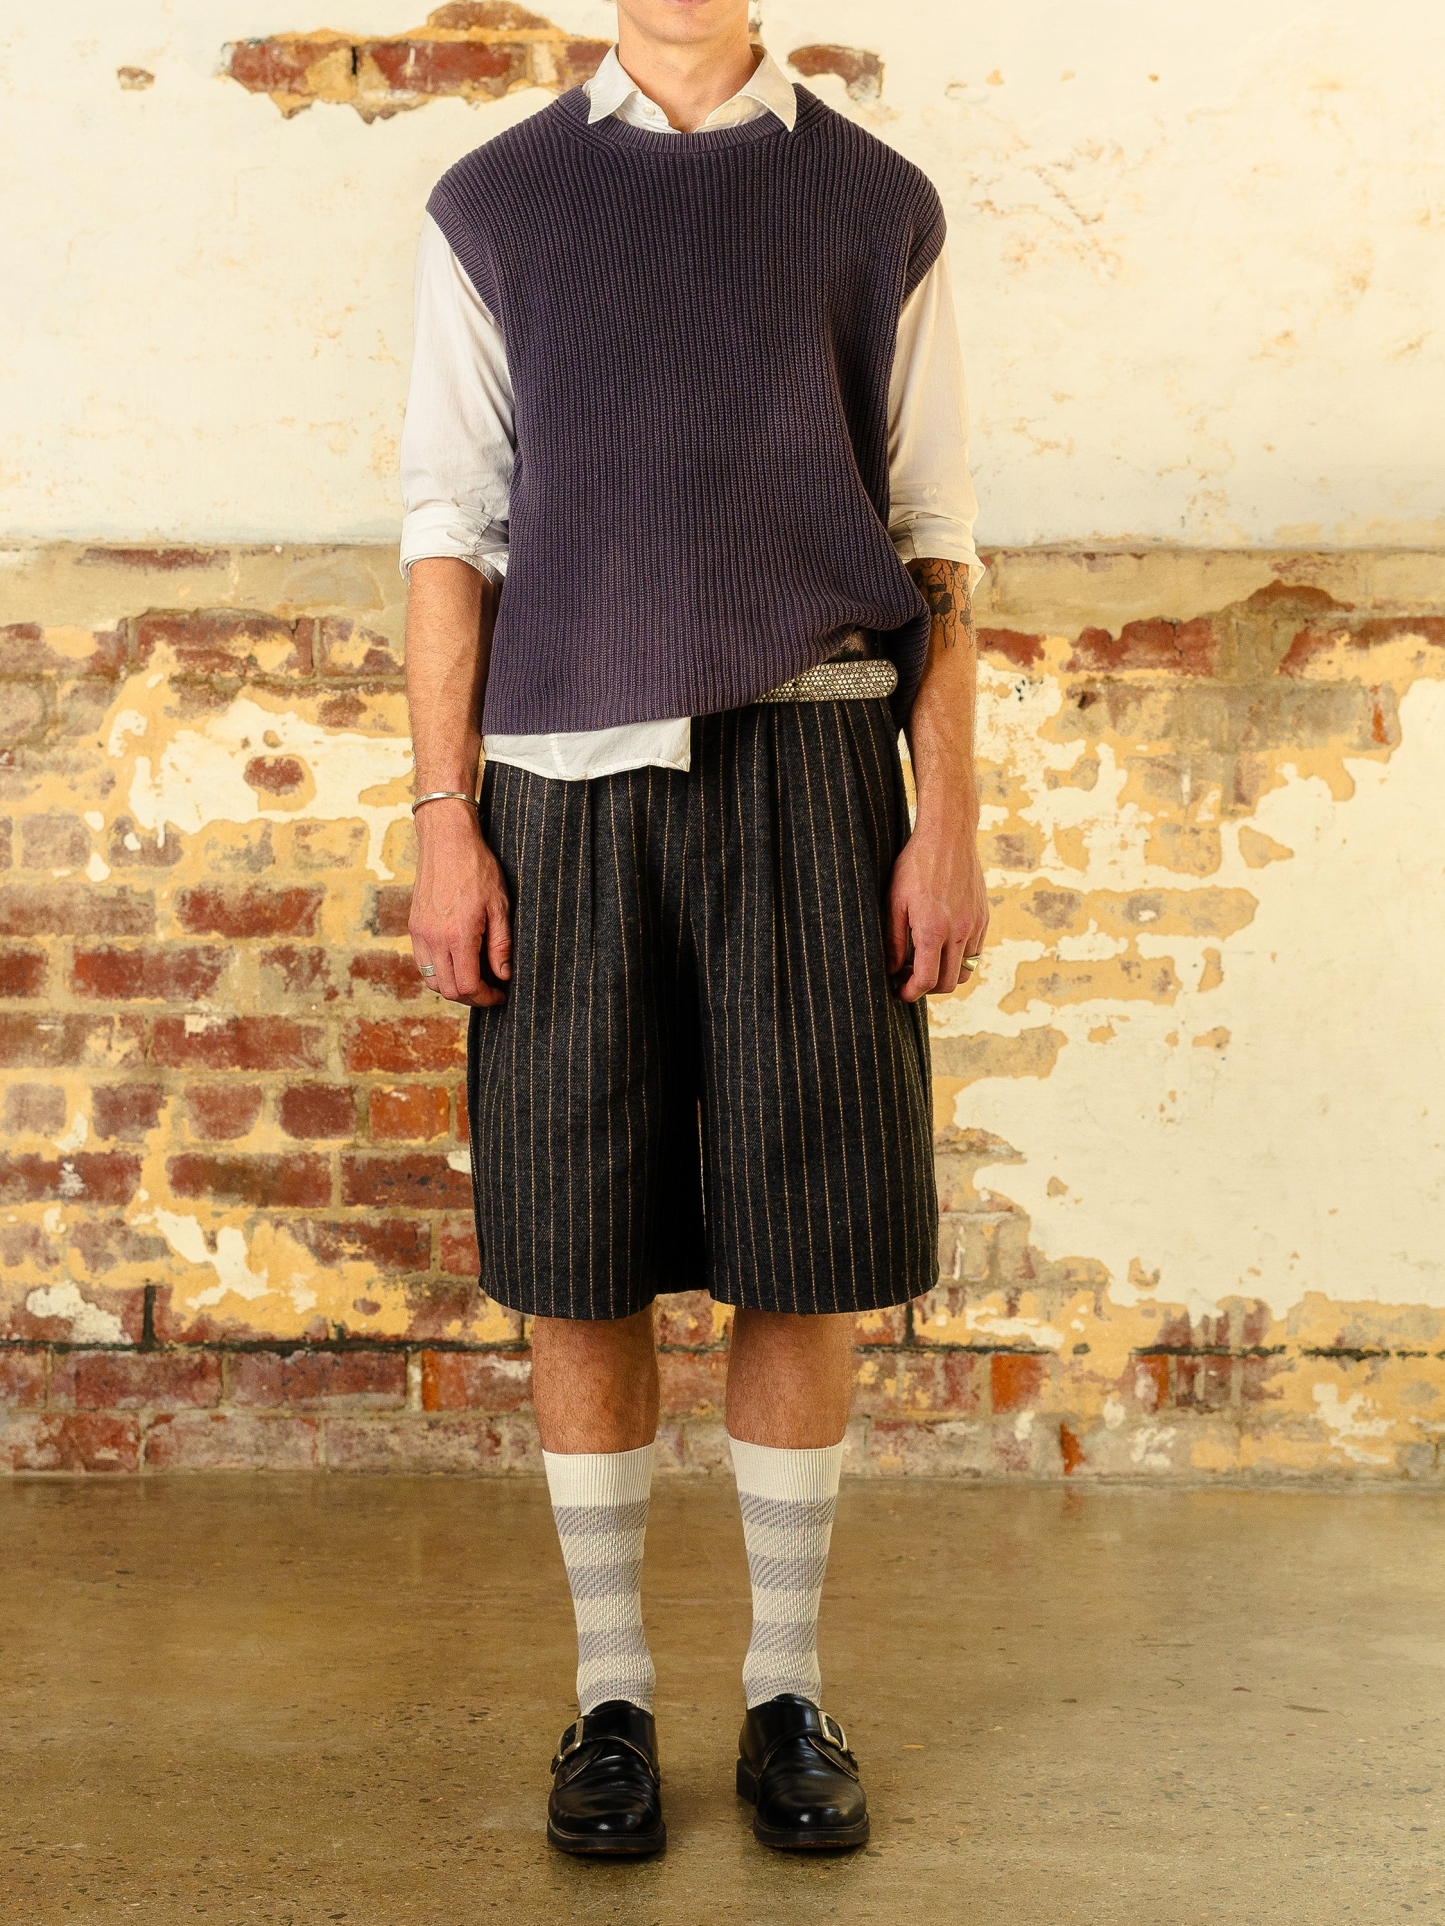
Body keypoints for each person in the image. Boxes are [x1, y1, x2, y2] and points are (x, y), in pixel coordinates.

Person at [398, 0, 987, 1860]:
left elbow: (937, 535)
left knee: (804, 1237)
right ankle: (611, 1697)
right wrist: (441, 818)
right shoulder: (497, 201)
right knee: (577, 1247)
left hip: (813, 764)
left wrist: (946, 815)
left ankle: (787, 1692)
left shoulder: (874, 201)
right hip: (559, 786)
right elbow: (448, 527)